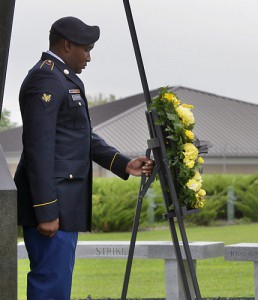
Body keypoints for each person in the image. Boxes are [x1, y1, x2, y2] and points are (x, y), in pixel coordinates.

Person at [14, 16, 154, 299]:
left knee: (58, 283)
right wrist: (46, 210)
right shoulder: (46, 79)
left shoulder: (62, 78)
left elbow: (80, 136)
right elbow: (38, 148)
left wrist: (122, 162)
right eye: (86, 49)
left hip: (65, 206)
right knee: (51, 285)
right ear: (67, 45)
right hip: (54, 207)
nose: (89, 57)